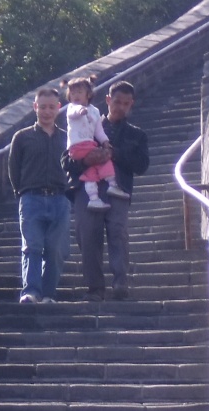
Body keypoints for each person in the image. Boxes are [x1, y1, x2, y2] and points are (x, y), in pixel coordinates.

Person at [66, 80, 150, 301]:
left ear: (131, 104)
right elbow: (66, 161)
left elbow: (142, 165)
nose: (120, 107)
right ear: (108, 100)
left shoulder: (137, 135)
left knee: (118, 233)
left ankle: (120, 282)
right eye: (117, 102)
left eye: (125, 103)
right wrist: (86, 161)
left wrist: (114, 154)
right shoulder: (85, 121)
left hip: (118, 188)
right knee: (87, 234)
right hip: (86, 189)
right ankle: (95, 287)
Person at [7, 86, 71, 304]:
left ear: (59, 108)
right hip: (31, 198)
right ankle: (31, 291)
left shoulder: (67, 138)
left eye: (51, 107)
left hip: (60, 198)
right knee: (32, 246)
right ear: (35, 107)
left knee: (55, 248)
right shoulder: (22, 137)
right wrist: (21, 192)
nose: (47, 111)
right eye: (43, 107)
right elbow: (13, 169)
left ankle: (48, 293)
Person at [64, 75, 129, 211]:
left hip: (88, 144)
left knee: (91, 171)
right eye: (73, 93)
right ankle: (112, 184)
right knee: (103, 160)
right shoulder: (72, 107)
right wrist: (81, 110)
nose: (76, 96)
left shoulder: (94, 111)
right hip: (77, 146)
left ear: (88, 94)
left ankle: (94, 199)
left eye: (79, 92)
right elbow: (73, 113)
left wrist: (105, 141)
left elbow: (98, 131)